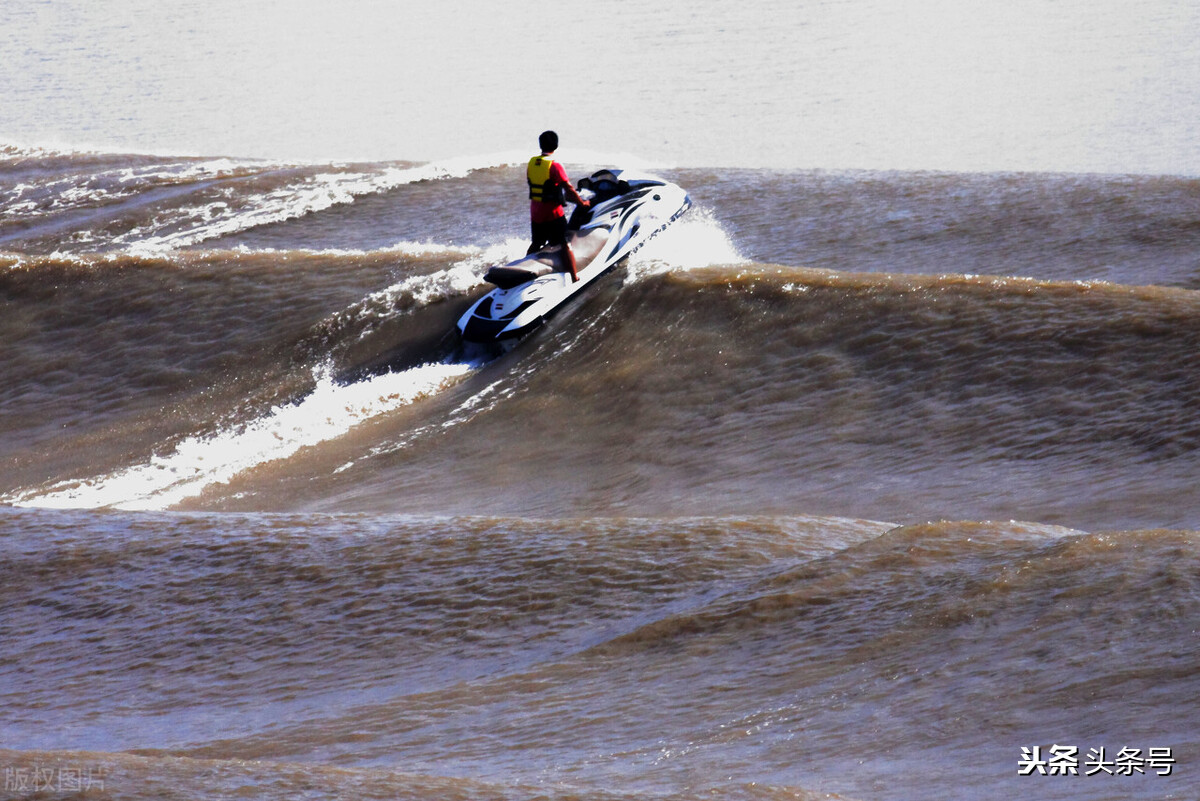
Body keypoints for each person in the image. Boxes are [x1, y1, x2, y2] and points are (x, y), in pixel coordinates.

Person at [527, 130, 589, 281]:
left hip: (536, 212)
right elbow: (569, 190)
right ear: (556, 146)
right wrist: (582, 203)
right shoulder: (554, 166)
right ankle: (575, 277)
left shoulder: (532, 163)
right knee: (565, 244)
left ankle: (525, 267)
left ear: (541, 145)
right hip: (552, 213)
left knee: (537, 242)